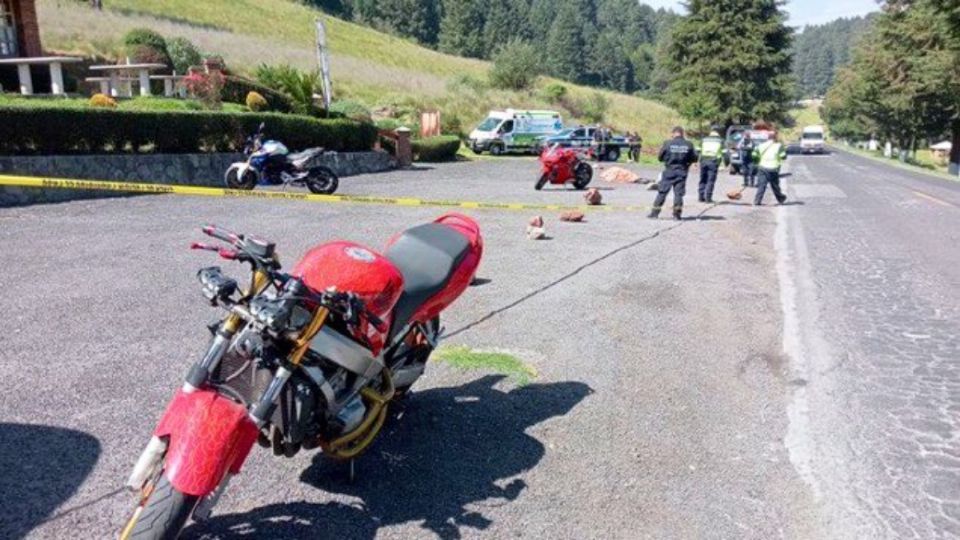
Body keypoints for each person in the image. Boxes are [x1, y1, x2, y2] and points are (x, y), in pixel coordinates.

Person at [649, 126, 698, 220]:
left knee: (662, 192)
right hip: (682, 171)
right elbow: (695, 158)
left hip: (669, 171)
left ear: (673, 133)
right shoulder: (689, 144)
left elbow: (660, 157)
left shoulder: (667, 143)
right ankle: (677, 215)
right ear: (682, 133)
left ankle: (654, 213)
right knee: (678, 194)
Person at [752, 132, 789, 205]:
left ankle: (757, 201)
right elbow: (783, 156)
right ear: (775, 138)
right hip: (773, 168)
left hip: (762, 167)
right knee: (775, 185)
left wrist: (757, 161)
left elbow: (754, 155)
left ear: (767, 138)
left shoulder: (760, 145)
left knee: (762, 185)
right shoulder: (778, 146)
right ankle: (780, 198)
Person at [697, 129, 724, 203]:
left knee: (703, 179)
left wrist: (696, 161)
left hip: (703, 161)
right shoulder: (720, 141)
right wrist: (725, 163)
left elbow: (698, 150)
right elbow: (725, 153)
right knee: (710, 180)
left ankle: (701, 197)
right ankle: (708, 198)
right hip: (713, 162)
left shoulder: (704, 140)